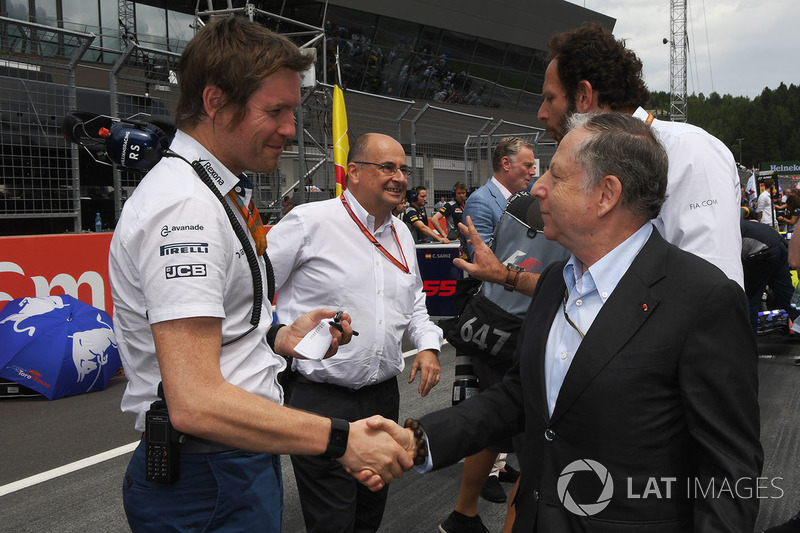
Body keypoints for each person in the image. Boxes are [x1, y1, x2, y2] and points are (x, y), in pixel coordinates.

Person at [373, 112, 764, 532]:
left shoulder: (703, 298)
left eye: (556, 177)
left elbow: (730, 470)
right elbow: (521, 398)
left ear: (606, 194)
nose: (537, 188)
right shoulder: (555, 283)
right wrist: (420, 439)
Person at [109, 17, 412, 532]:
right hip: (209, 467)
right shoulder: (186, 208)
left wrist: (278, 335)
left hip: (230, 458)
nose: (291, 129)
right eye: (276, 111)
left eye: (292, 110)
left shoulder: (210, 190)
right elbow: (196, 400)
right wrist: (341, 438)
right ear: (214, 102)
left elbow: (218, 328)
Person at [266, 132, 443, 532]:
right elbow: (250, 290)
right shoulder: (309, 222)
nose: (399, 177)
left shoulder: (402, 235)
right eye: (387, 167)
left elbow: (414, 302)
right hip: (320, 399)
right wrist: (276, 338)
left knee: (369, 513)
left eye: (403, 169)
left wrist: (428, 346)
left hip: (383, 399)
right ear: (356, 173)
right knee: (333, 519)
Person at [438, 136, 536, 533]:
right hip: (492, 307)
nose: (533, 172)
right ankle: (473, 499)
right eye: (527, 165)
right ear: (506, 164)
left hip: (508, 309)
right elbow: (481, 255)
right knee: (495, 402)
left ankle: (467, 508)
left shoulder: (522, 201)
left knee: (499, 408)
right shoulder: (483, 200)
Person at [741, 219, 800, 333]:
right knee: (788, 297)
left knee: (750, 301)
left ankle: (748, 344)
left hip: (762, 252)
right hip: (778, 244)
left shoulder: (722, 231)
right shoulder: (737, 223)